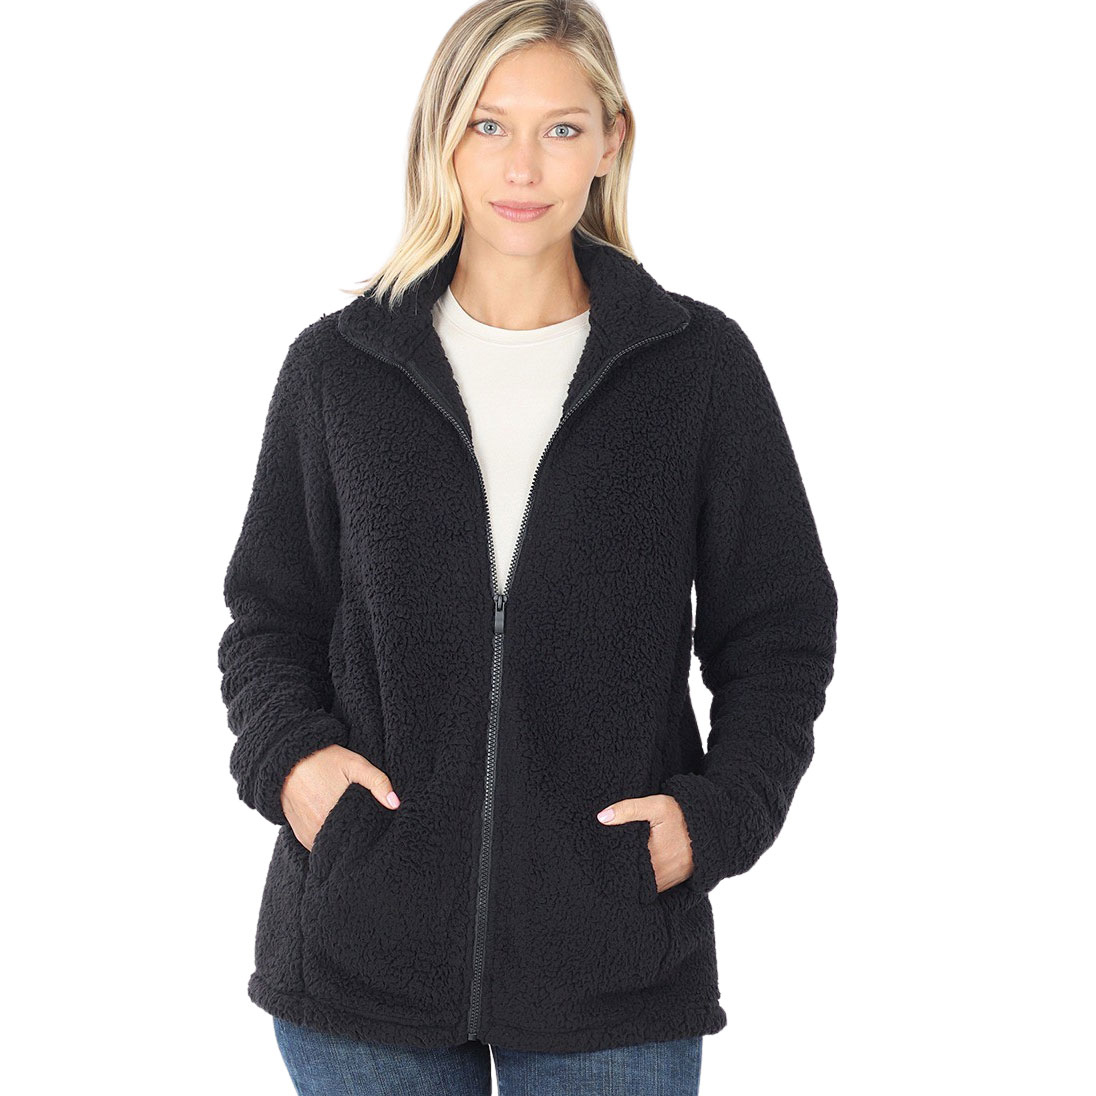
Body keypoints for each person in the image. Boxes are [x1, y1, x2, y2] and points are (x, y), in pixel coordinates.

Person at [216, 1, 839, 1093]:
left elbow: (779, 633)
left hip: (613, 966)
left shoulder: (695, 367)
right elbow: (270, 617)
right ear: (441, 137)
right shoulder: (340, 368)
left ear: (611, 141)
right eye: (488, 124)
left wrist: (715, 818)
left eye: (560, 128)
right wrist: (295, 764)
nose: (522, 166)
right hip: (363, 959)